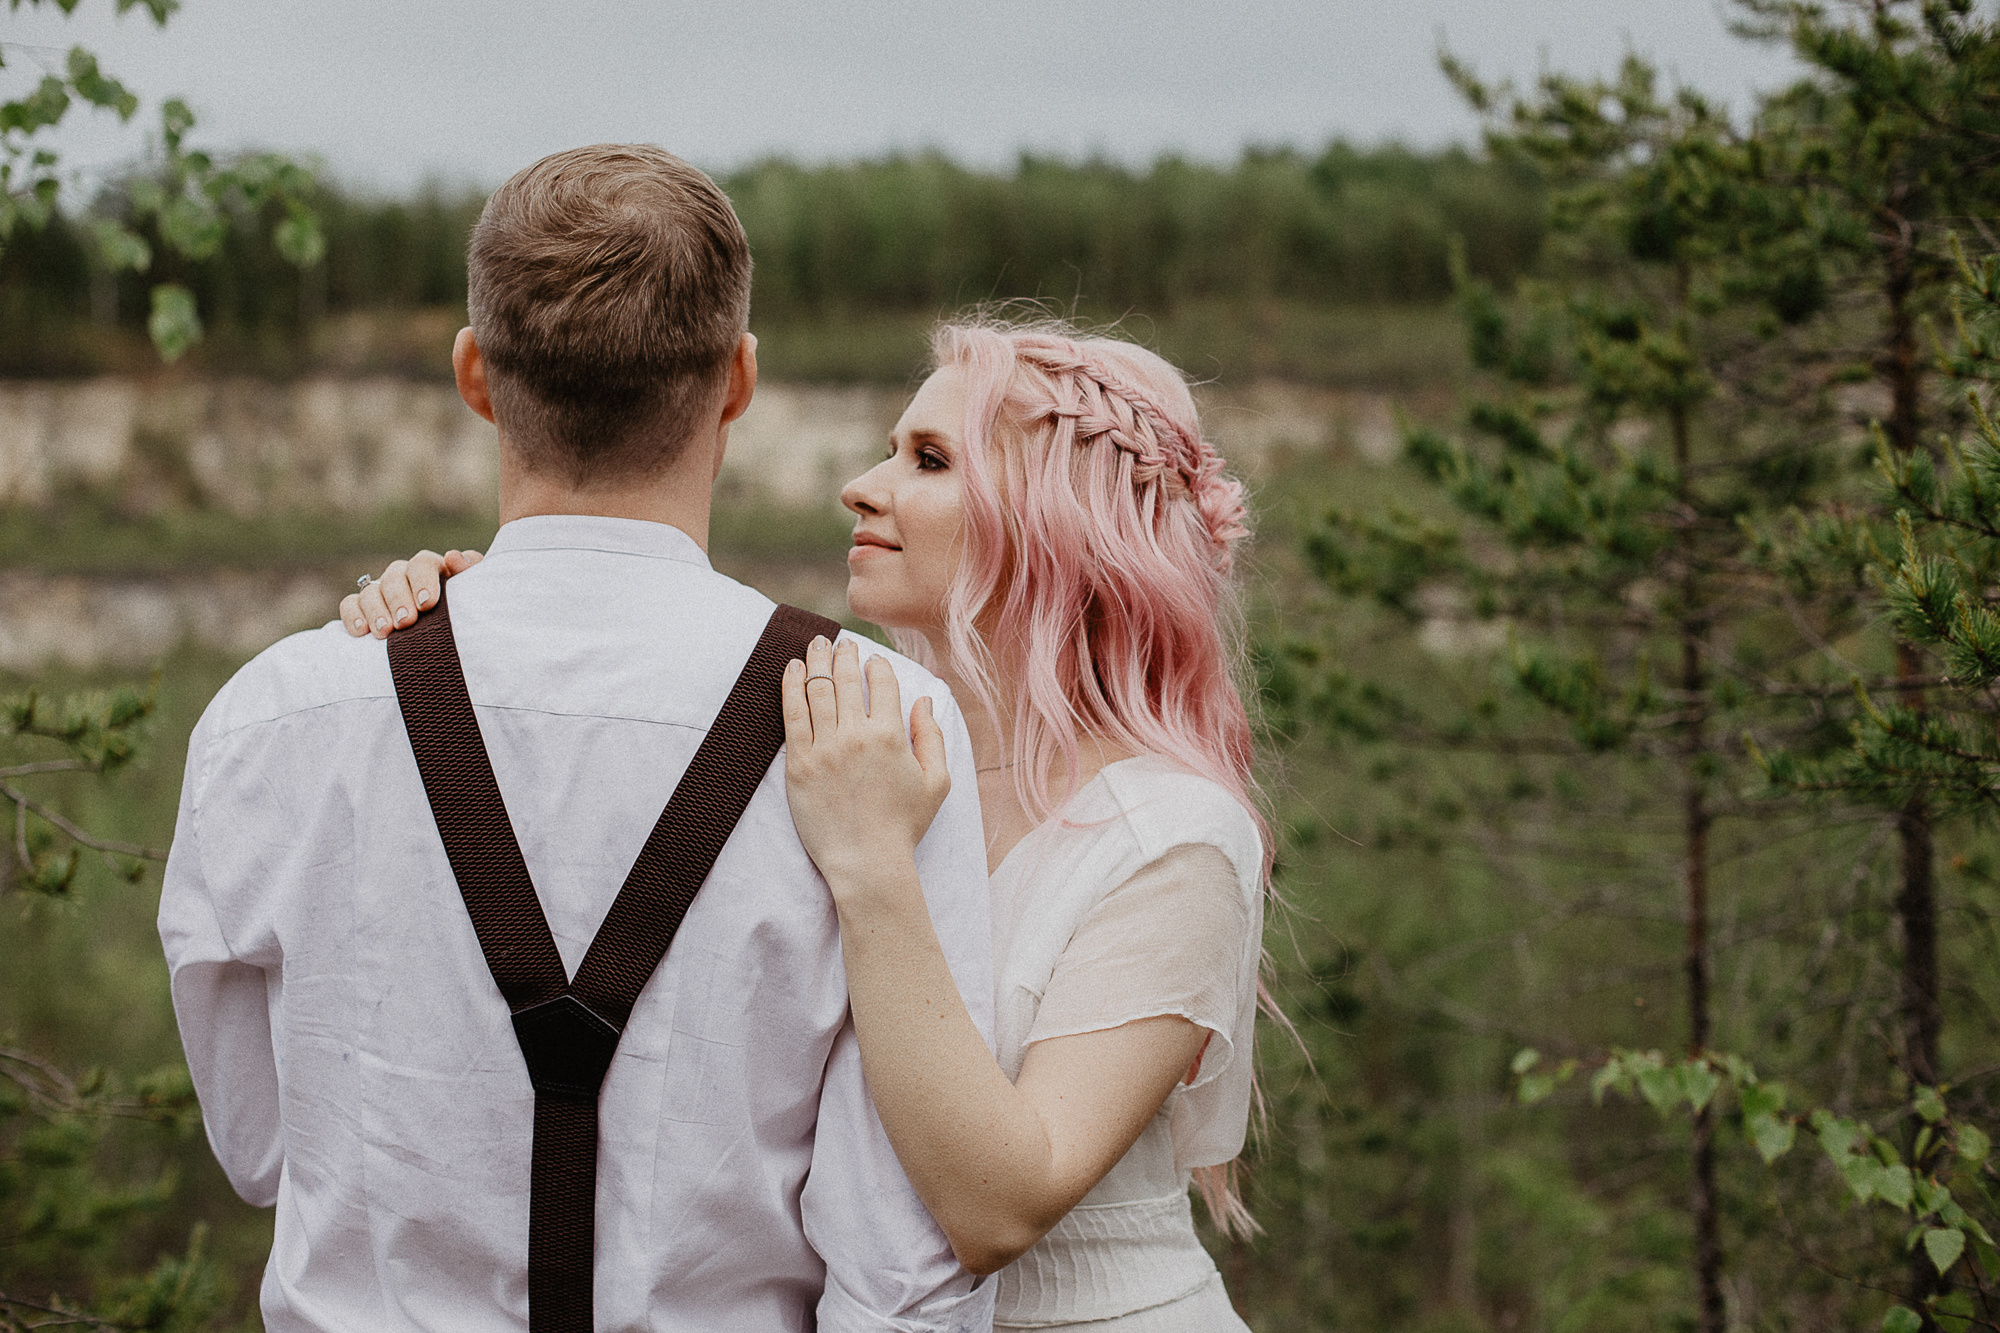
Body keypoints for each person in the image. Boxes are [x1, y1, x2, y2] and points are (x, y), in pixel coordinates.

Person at [159, 144, 997, 1333]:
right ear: (739, 381)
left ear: (474, 374)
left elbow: (256, 1147)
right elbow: (898, 1257)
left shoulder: (277, 716)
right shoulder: (869, 720)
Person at [352, 317, 1270, 1330]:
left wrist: (874, 860)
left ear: (1057, 521)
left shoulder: (1172, 839)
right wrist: (464, 622)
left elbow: (998, 1205)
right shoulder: (861, 737)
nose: (862, 485)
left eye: (926, 459)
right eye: (889, 449)